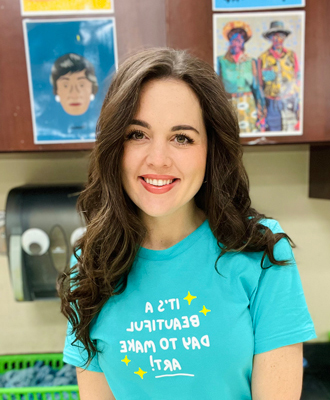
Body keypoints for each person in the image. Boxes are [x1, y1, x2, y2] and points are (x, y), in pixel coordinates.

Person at [58, 48, 316, 399]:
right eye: (137, 134)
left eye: (182, 137)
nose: (158, 159)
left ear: (211, 150)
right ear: (113, 146)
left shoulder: (260, 250)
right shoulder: (90, 263)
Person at [217, 21, 265, 133]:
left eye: (239, 40)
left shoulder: (251, 61)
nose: (236, 43)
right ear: (229, 41)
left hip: (249, 105)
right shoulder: (221, 61)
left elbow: (257, 89)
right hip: (230, 106)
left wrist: (261, 113)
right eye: (233, 40)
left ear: (244, 42)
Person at [258, 21, 300, 132]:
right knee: (273, 130)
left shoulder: (291, 55)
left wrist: (299, 105)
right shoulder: (263, 58)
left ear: (285, 37)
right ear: (270, 38)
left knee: (291, 131)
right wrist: (262, 107)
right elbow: (260, 85)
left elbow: (298, 79)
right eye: (274, 36)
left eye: (280, 35)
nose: (277, 39)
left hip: (290, 101)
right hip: (271, 103)